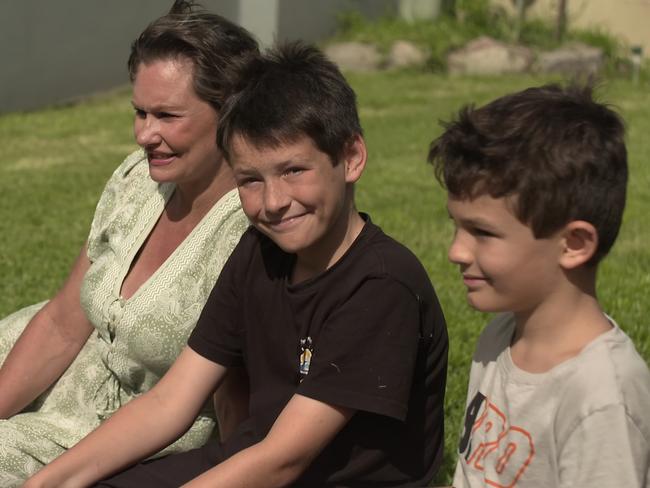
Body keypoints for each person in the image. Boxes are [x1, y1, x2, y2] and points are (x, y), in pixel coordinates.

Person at [25, 41, 449, 488]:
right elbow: (169, 402)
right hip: (246, 463)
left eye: (293, 171)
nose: (274, 202)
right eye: (250, 179)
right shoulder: (257, 252)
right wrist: (50, 481)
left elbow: (282, 460)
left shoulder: (381, 286)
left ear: (350, 158)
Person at [0, 2, 258, 485]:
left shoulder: (248, 229)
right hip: (46, 366)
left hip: (114, 435)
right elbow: (61, 322)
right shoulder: (139, 178)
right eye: (139, 112)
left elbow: (229, 399)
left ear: (230, 113)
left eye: (166, 115)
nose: (144, 134)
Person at [428, 84, 650, 487]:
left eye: (481, 232)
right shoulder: (501, 334)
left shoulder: (601, 397)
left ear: (574, 244)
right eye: (456, 226)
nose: (456, 251)